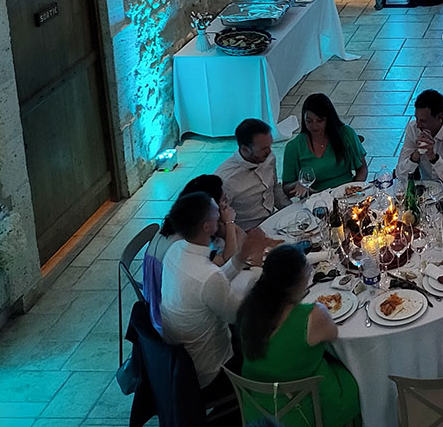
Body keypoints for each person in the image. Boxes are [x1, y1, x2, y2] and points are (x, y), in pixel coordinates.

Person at [236, 244, 363, 427]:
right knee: (357, 374)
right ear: (298, 280)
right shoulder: (312, 315)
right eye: (308, 269)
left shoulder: (249, 308)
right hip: (307, 408)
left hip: (259, 407)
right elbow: (333, 334)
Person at [159, 190, 268, 388]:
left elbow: (209, 284)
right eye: (215, 210)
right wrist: (258, 264)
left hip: (179, 361)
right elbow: (240, 316)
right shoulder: (208, 277)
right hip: (212, 370)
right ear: (206, 226)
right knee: (268, 335)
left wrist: (241, 257)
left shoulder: (175, 250)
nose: (220, 212)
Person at [143, 174, 245, 328]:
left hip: (163, 297)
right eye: (223, 201)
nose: (227, 205)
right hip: (171, 316)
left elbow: (241, 237)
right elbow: (228, 261)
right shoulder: (185, 242)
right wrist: (229, 222)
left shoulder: (183, 221)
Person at [282, 93, 367, 195]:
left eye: (319, 121)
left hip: (346, 192)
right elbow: (286, 187)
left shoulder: (346, 134)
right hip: (315, 198)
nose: (314, 126)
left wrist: (355, 189)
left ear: (329, 119)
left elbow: (362, 168)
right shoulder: (294, 147)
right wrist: (297, 185)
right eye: (309, 121)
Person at [216, 118, 288, 231]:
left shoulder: (269, 158)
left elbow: (274, 189)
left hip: (274, 222)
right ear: (245, 149)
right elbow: (220, 221)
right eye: (263, 148)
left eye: (270, 146)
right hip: (246, 231)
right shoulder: (226, 180)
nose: (269, 152)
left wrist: (291, 210)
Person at [394, 88, 443, 192]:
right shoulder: (413, 128)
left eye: (423, 121)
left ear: (439, 117)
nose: (418, 125)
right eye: (417, 119)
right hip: (426, 190)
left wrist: (434, 158)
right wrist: (415, 156)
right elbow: (400, 175)